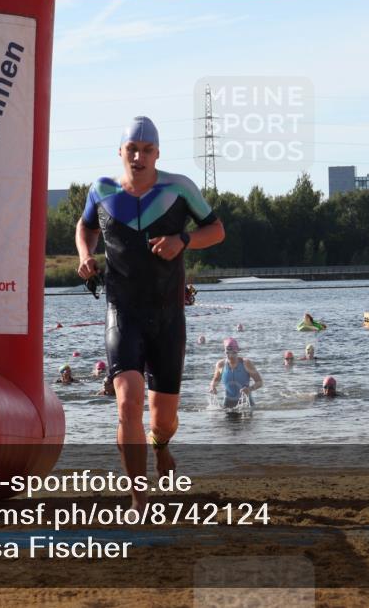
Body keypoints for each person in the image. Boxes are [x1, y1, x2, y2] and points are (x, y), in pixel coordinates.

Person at [76, 116, 225, 509]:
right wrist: (84, 255)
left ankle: (161, 448)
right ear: (120, 152)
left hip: (167, 316)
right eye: (132, 150)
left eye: (146, 150)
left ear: (158, 153)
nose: (138, 157)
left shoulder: (179, 189)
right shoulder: (102, 190)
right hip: (121, 310)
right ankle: (138, 495)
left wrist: (184, 240)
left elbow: (218, 230)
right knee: (127, 401)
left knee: (163, 421)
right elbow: (85, 226)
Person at [209, 338, 263, 408]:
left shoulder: (246, 363)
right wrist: (212, 387)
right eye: (227, 353)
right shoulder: (221, 365)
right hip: (228, 403)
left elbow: (259, 382)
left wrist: (249, 389)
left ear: (237, 351)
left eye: (233, 353)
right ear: (225, 352)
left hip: (246, 403)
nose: (230, 356)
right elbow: (216, 379)